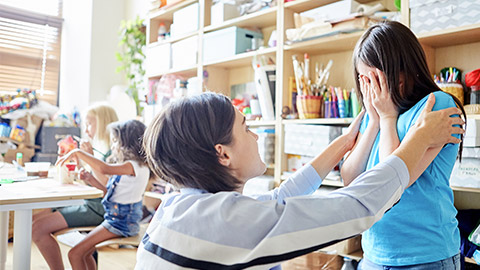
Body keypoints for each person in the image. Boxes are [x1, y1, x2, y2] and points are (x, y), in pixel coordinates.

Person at [134, 92, 464, 269]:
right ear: (223, 154)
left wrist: (343, 144)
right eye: (247, 128)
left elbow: (279, 199)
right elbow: (355, 206)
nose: (256, 137)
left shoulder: (180, 205)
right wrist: (418, 139)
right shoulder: (227, 222)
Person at [341, 21, 466, 269]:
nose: (369, 90)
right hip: (374, 253)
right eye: (363, 80)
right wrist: (375, 120)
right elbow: (350, 178)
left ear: (400, 70)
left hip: (426, 256)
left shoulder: (437, 106)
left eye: (374, 79)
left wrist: (387, 117)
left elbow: (392, 182)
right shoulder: (373, 116)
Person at [32, 103, 118, 270]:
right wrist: (77, 163)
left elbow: (108, 187)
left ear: (103, 124)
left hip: (99, 208)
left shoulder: (112, 153)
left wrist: (90, 158)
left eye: (90, 124)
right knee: (37, 220)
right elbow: (90, 180)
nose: (86, 130)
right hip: (88, 203)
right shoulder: (99, 148)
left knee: (37, 229)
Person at [56, 119, 150, 270]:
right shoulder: (132, 168)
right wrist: (90, 179)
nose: (112, 146)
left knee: (75, 254)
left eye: (115, 141)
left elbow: (104, 169)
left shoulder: (133, 166)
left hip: (120, 223)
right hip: (117, 219)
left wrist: (78, 152)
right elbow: (109, 193)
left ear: (127, 143)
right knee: (85, 253)